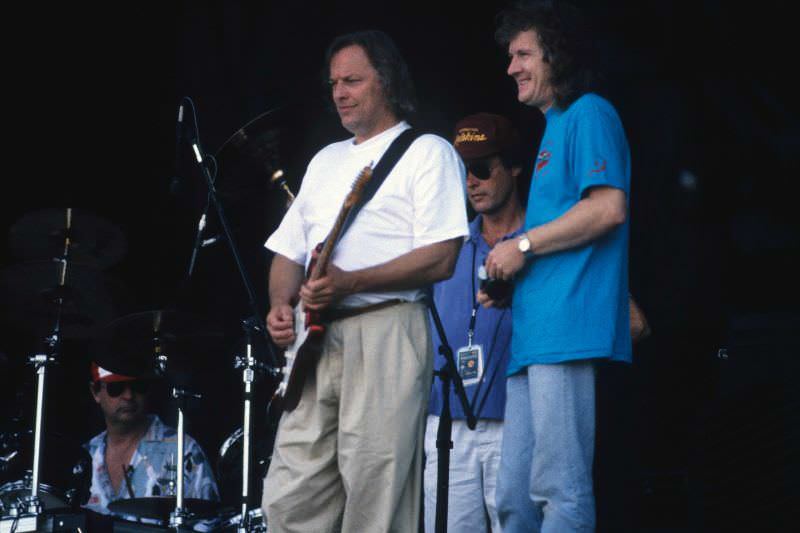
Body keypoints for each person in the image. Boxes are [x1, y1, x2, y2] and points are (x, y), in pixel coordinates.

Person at [262, 30, 469, 532]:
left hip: (387, 328)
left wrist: (352, 282)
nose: (339, 93)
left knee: (377, 492)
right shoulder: (325, 160)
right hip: (315, 340)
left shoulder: (427, 152)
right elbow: (288, 251)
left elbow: (442, 257)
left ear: (387, 82)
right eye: (334, 82)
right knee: (289, 496)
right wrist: (279, 306)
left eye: (352, 80)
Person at [482, 2, 633, 531]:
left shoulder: (589, 111)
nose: (512, 67)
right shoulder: (554, 128)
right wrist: (513, 278)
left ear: (557, 56)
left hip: (565, 330)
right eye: (510, 56)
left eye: (523, 53)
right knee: (514, 500)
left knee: (559, 488)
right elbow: (566, 233)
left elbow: (607, 208)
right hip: (534, 332)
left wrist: (519, 248)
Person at [424, 112, 525, 533]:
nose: (471, 182)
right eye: (465, 170)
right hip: (444, 421)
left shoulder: (542, 239)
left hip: (516, 420)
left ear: (514, 168)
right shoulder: (445, 245)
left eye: (483, 168)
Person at [83, 356, 219, 530]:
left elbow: (209, 523)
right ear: (95, 392)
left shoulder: (183, 450)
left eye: (138, 386)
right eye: (116, 388)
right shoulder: (85, 457)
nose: (128, 396)